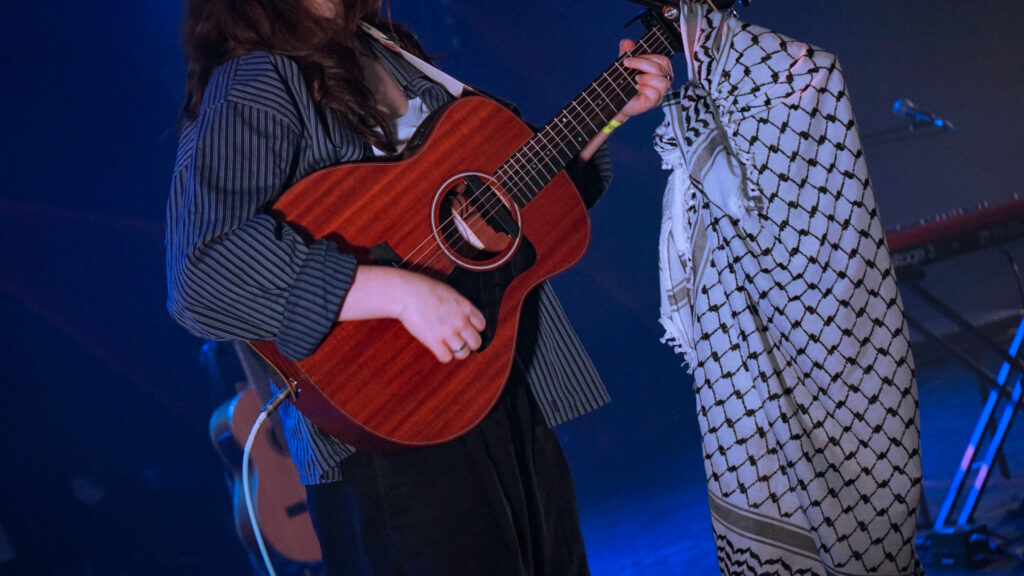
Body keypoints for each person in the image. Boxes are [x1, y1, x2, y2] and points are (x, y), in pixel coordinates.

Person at [165, 0, 673, 574]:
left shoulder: (385, 48)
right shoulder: (255, 77)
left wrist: (607, 117)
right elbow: (201, 273)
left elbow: (493, 202)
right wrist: (400, 293)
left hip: (494, 378)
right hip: (385, 426)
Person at [653, 2, 923, 575]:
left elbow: (774, 204)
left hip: (838, 336)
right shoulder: (704, 99)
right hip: (740, 353)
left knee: (861, 500)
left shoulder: (793, 71)